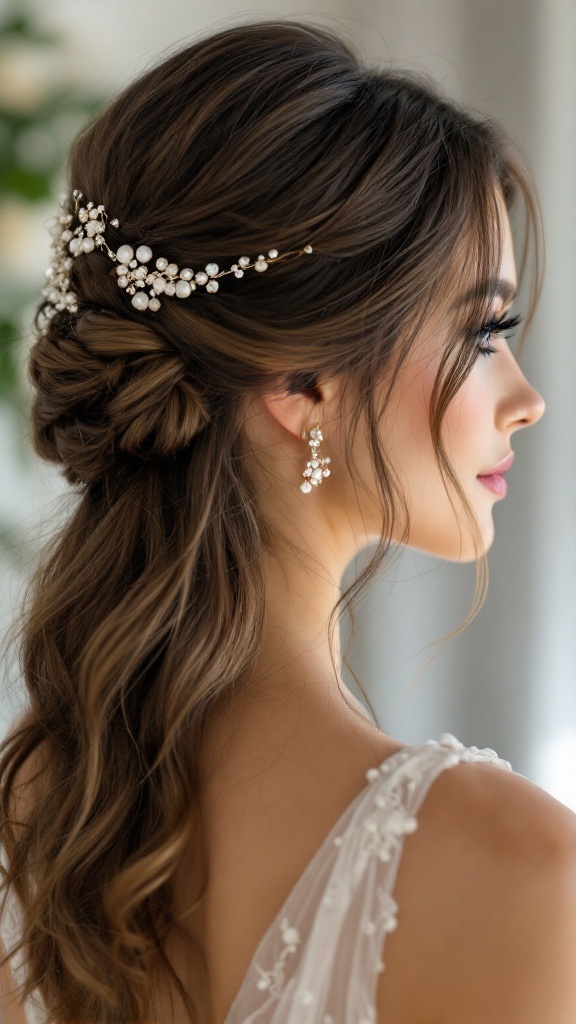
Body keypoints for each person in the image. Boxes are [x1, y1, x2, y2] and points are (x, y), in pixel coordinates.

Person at [1, 17, 575, 1024]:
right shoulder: (520, 870)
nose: (527, 397)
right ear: (302, 379)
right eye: (483, 331)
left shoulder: (31, 826)